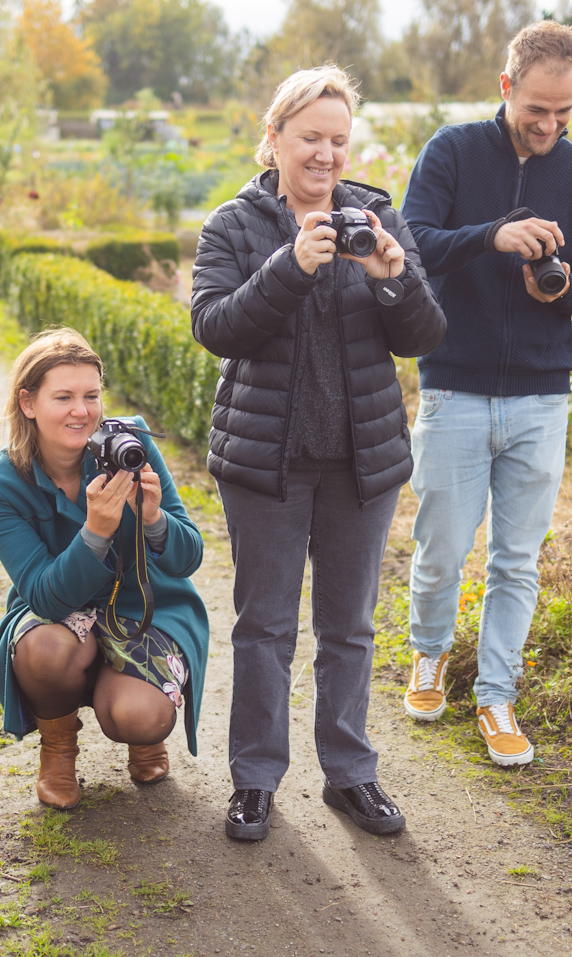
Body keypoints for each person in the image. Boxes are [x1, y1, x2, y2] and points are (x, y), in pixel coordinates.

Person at [190, 65, 446, 842]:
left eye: (339, 140)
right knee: (264, 626)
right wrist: (290, 266)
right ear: (273, 140)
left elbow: (425, 336)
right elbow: (216, 327)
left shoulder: (376, 215)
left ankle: (351, 774)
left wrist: (395, 279)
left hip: (360, 461)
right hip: (267, 460)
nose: (327, 155)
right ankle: (256, 782)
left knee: (350, 627)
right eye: (310, 138)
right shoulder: (233, 226)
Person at [399, 21, 572, 766]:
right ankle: (430, 654)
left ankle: (497, 696)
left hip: (540, 398)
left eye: (564, 112)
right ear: (507, 87)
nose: (550, 125)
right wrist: (492, 234)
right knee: (440, 550)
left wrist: (557, 293)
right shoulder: (452, 150)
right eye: (537, 109)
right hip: (453, 388)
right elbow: (412, 243)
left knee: (516, 562)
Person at [0, 329, 208, 811]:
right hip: (60, 619)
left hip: (144, 609)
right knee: (42, 649)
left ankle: (135, 716)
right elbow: (45, 596)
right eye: (63, 397)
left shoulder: (131, 442)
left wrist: (154, 519)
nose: (82, 411)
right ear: (28, 402)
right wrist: (95, 532)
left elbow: (188, 559)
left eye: (92, 396)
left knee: (140, 717)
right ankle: (58, 748)